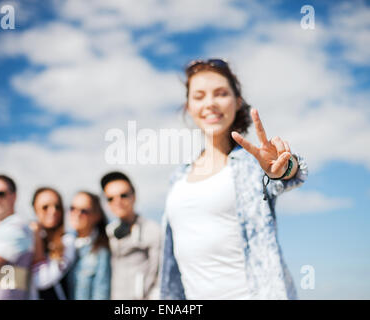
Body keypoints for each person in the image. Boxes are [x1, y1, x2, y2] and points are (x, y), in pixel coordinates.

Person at [160, 59, 308, 300]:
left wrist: (283, 166)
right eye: (199, 96)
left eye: (220, 94)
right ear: (188, 106)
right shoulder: (178, 177)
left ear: (237, 102)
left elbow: (288, 175)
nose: (210, 103)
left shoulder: (251, 164)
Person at [101, 171, 161, 300]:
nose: (118, 201)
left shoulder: (152, 230)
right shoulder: (108, 232)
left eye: (123, 195)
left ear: (134, 196)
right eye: (110, 198)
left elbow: (160, 275)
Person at [30, 187, 75, 300]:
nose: (53, 211)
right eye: (45, 207)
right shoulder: (27, 238)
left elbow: (42, 280)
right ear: (35, 210)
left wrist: (36, 236)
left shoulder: (68, 241)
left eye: (57, 206)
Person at [66, 191, 111, 300]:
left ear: (96, 216)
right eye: (73, 208)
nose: (77, 214)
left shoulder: (100, 253)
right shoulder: (65, 247)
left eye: (84, 211)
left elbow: (101, 294)